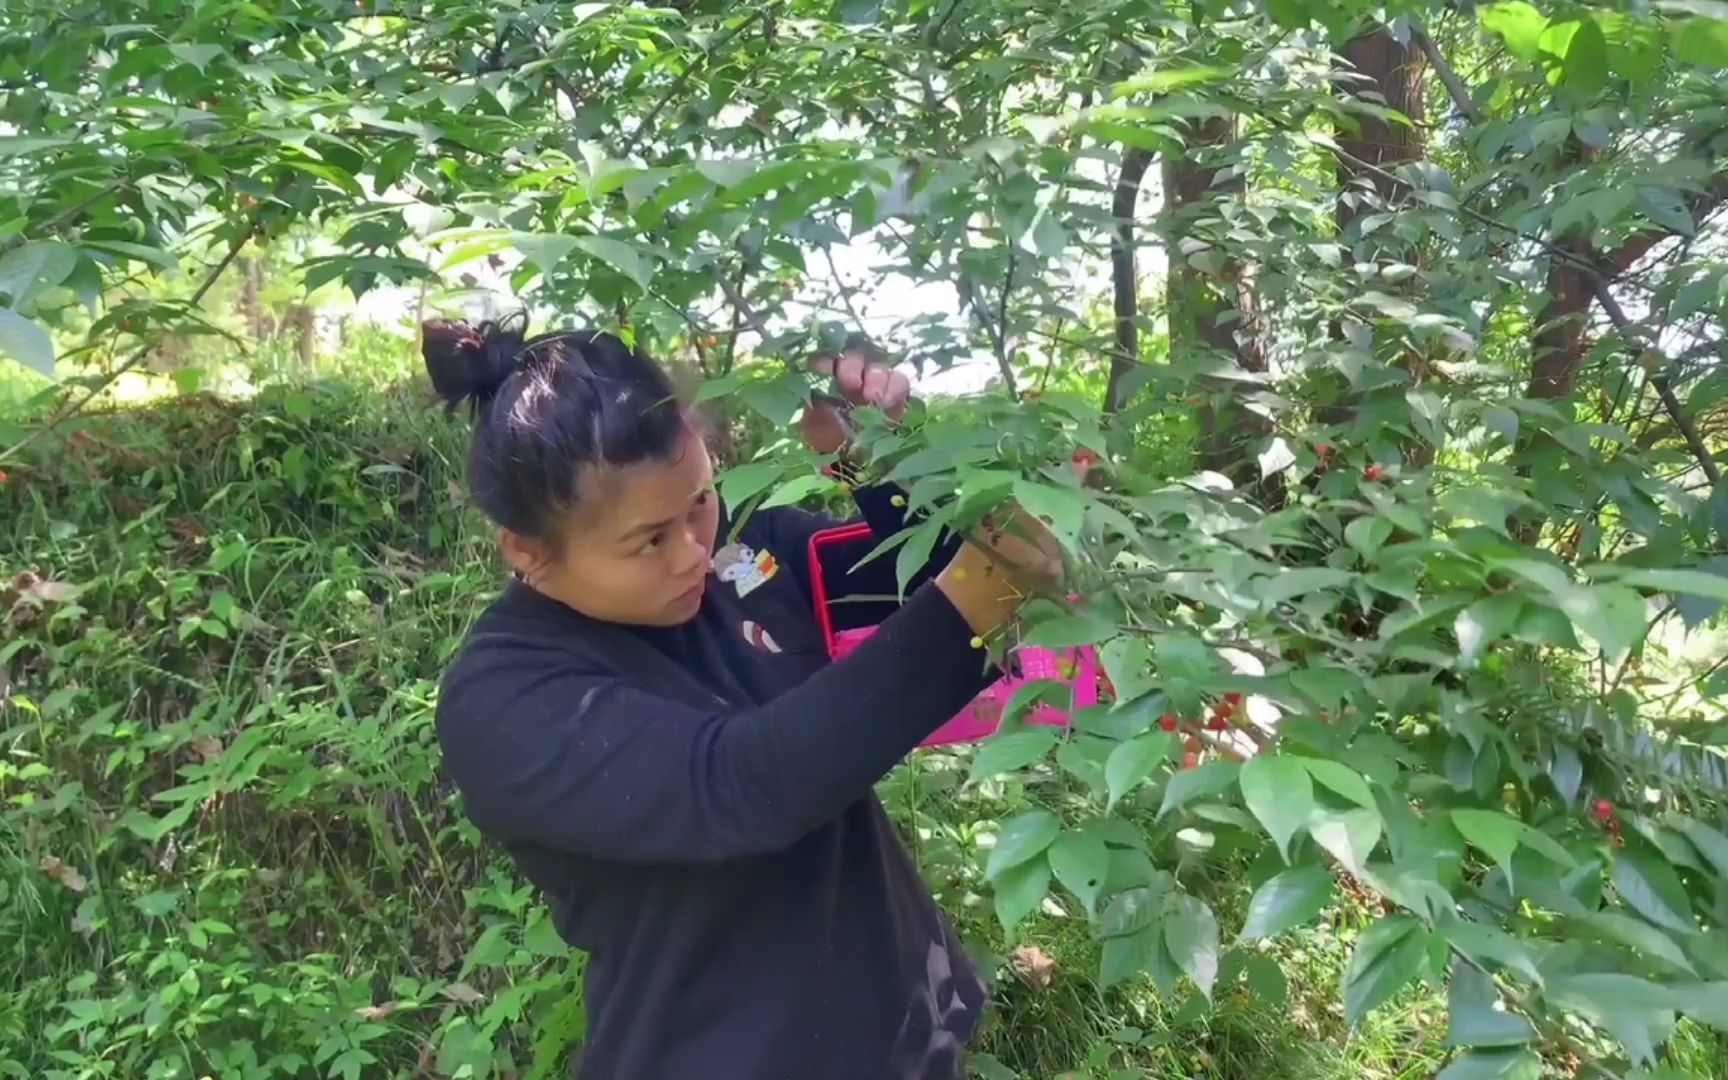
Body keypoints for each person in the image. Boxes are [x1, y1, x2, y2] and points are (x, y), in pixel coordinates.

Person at [424, 314, 1062, 1080]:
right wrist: (989, 587)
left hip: (900, 1029)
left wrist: (884, 461)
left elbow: (909, 587)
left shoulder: (746, 557)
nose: (694, 549)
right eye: (649, 540)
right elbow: (742, 785)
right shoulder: (507, 699)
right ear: (527, 552)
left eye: (699, 501)